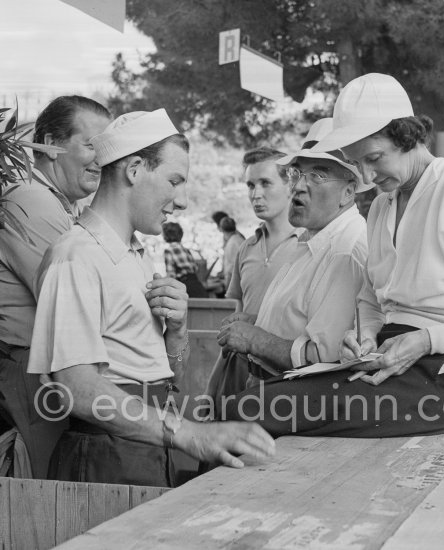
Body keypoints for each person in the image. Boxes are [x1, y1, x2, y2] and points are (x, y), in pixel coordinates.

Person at [27, 109, 275, 486]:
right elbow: (76, 389)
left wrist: (175, 332)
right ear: (134, 169)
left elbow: (168, 377)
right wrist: (191, 434)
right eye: (175, 181)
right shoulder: (76, 256)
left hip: (146, 446)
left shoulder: (138, 256)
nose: (182, 201)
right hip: (105, 457)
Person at [284, 71, 444, 438]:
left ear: (407, 135)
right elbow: (371, 298)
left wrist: (426, 341)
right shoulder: (381, 207)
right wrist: (366, 336)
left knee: (264, 408)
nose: (368, 177)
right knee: (262, 399)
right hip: (387, 356)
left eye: (374, 158)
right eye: (359, 164)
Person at [217, 117, 371, 420]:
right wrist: (258, 320)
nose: (299, 186)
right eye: (297, 173)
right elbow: (304, 318)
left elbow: (326, 356)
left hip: (290, 411)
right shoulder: (314, 239)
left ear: (349, 192)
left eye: (318, 175)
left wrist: (254, 339)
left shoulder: (346, 251)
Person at [0, 95, 111, 478]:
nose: (102, 158)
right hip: (29, 371)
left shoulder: (59, 203)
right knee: (44, 492)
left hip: (44, 370)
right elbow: (80, 302)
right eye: (91, 145)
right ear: (49, 142)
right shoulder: (31, 199)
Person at [204, 146, 304, 414]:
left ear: (290, 184)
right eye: (250, 185)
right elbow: (235, 326)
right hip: (238, 374)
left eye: (265, 183)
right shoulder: (244, 248)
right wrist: (212, 387)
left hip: (285, 379)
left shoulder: (309, 247)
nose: (255, 194)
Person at [162, 221, 208, 298]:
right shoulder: (186, 250)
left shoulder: (169, 251)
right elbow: (195, 268)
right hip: (197, 285)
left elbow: (171, 275)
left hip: (185, 287)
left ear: (165, 235)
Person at [219, 216, 245, 291]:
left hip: (234, 281)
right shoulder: (239, 239)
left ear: (221, 229)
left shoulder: (232, 243)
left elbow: (234, 267)